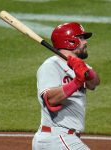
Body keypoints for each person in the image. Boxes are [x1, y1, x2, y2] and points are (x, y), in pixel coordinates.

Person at [32, 22, 100, 150]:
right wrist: (77, 82)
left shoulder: (79, 65)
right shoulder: (51, 66)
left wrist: (86, 71)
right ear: (70, 41)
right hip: (56, 137)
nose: (85, 42)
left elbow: (94, 83)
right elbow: (50, 100)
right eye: (81, 38)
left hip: (63, 139)